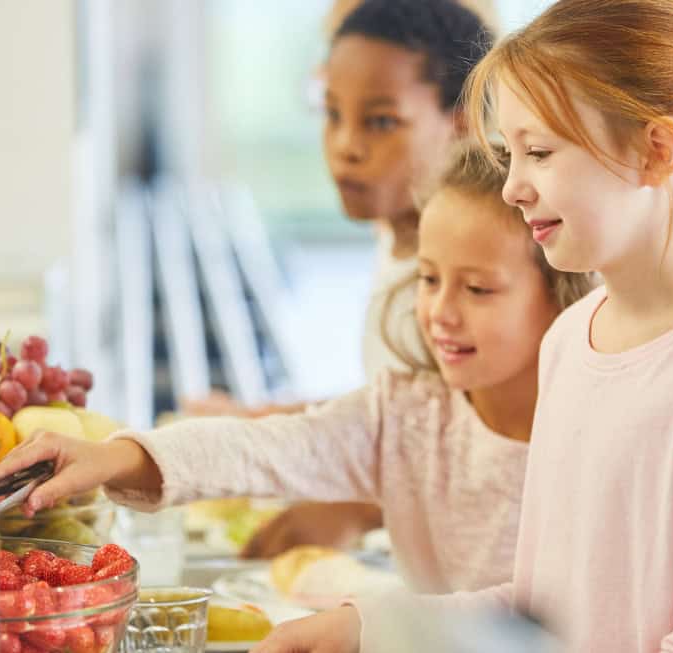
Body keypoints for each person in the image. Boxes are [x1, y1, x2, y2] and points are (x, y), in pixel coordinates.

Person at [250, 0, 673, 651]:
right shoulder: (569, 339)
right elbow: (539, 611)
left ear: (655, 153)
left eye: (538, 151)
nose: (511, 187)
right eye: (510, 153)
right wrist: (367, 627)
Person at [0, 144, 596, 596]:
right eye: (430, 279)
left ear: (562, 293)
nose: (440, 312)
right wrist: (109, 457)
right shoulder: (405, 414)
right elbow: (261, 449)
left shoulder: (594, 430)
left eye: (479, 289)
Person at [186, 0, 498, 559]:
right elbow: (402, 407)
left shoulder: (473, 281)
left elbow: (489, 449)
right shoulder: (396, 236)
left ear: (463, 123)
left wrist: (355, 507)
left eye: (380, 121)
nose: (345, 146)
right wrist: (257, 421)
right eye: (332, 115)